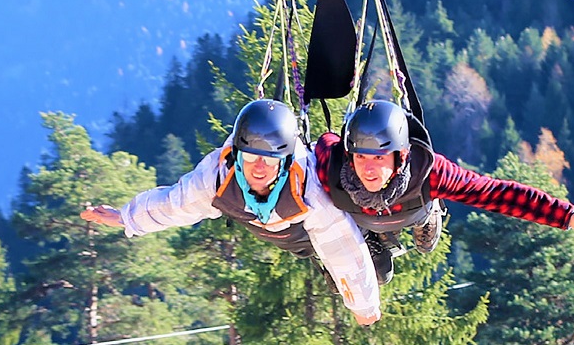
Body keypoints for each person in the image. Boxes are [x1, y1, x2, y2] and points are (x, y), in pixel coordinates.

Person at [81, 99, 381, 326]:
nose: (258, 168)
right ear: (238, 154)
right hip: (267, 227)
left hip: (301, 230)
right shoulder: (217, 177)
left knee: (348, 250)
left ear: (286, 160)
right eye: (250, 157)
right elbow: (175, 204)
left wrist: (365, 307)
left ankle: (379, 236)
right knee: (303, 246)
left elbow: (342, 250)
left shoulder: (309, 191)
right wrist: (126, 216)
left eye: (269, 159)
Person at [313, 100, 574, 284]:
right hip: (364, 218)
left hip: (412, 204)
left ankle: (429, 215)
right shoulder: (331, 169)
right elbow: (313, 153)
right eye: (361, 158)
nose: (368, 169)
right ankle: (375, 238)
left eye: (379, 158)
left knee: (417, 214)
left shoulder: (430, 173)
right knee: (371, 276)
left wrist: (568, 216)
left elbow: (497, 194)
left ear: (402, 155)